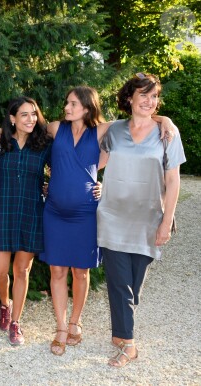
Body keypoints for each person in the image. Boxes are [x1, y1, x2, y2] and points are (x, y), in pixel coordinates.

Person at [97, 73, 185, 367]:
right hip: (112, 216)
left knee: (134, 284)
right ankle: (128, 344)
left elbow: (173, 182)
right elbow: (91, 159)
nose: (149, 101)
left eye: (154, 96)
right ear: (129, 99)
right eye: (143, 95)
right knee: (120, 282)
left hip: (148, 219)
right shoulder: (114, 130)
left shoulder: (167, 134)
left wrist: (166, 222)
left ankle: (121, 330)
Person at [39, 86, 106, 355]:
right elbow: (22, 129)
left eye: (73, 104)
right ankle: (61, 327)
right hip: (54, 212)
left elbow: (136, 122)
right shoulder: (56, 128)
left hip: (85, 214)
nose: (67, 108)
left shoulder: (100, 132)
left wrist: (166, 120)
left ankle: (75, 322)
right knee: (57, 271)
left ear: (88, 108)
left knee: (81, 271)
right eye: (67, 103)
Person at [0, 96, 51, 346]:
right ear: (12, 118)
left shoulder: (45, 144)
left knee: (21, 270)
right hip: (3, 211)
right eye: (24, 114)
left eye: (34, 114)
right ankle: (5, 304)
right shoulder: (0, 140)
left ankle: (16, 322)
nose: (30, 119)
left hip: (30, 211)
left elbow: (68, 166)